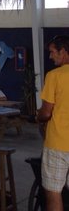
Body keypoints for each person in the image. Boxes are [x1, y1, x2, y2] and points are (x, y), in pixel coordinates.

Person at [37, 35, 69, 211]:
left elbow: (46, 113)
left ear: (63, 51)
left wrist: (37, 116)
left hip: (58, 145)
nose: (50, 57)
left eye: (52, 52)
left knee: (53, 193)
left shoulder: (54, 76)